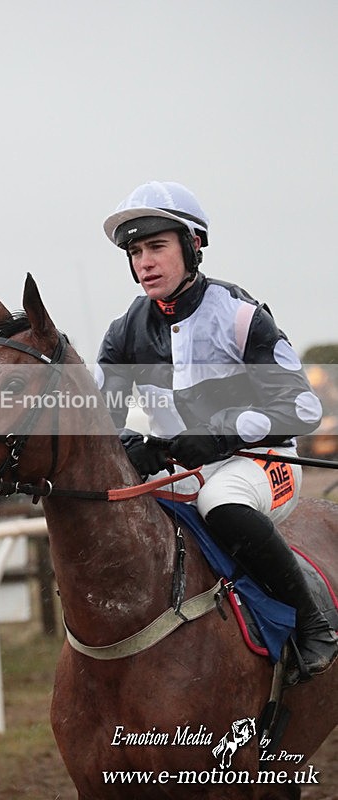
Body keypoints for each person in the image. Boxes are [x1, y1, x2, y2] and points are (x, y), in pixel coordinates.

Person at [97, 180, 337, 682]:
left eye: (157, 247)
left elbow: (302, 406)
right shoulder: (122, 333)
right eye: (136, 251)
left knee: (221, 504)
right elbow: (103, 420)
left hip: (262, 464)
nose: (145, 262)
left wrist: (225, 436)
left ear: (193, 245)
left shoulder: (239, 315)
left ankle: (314, 623)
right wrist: (128, 446)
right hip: (181, 472)